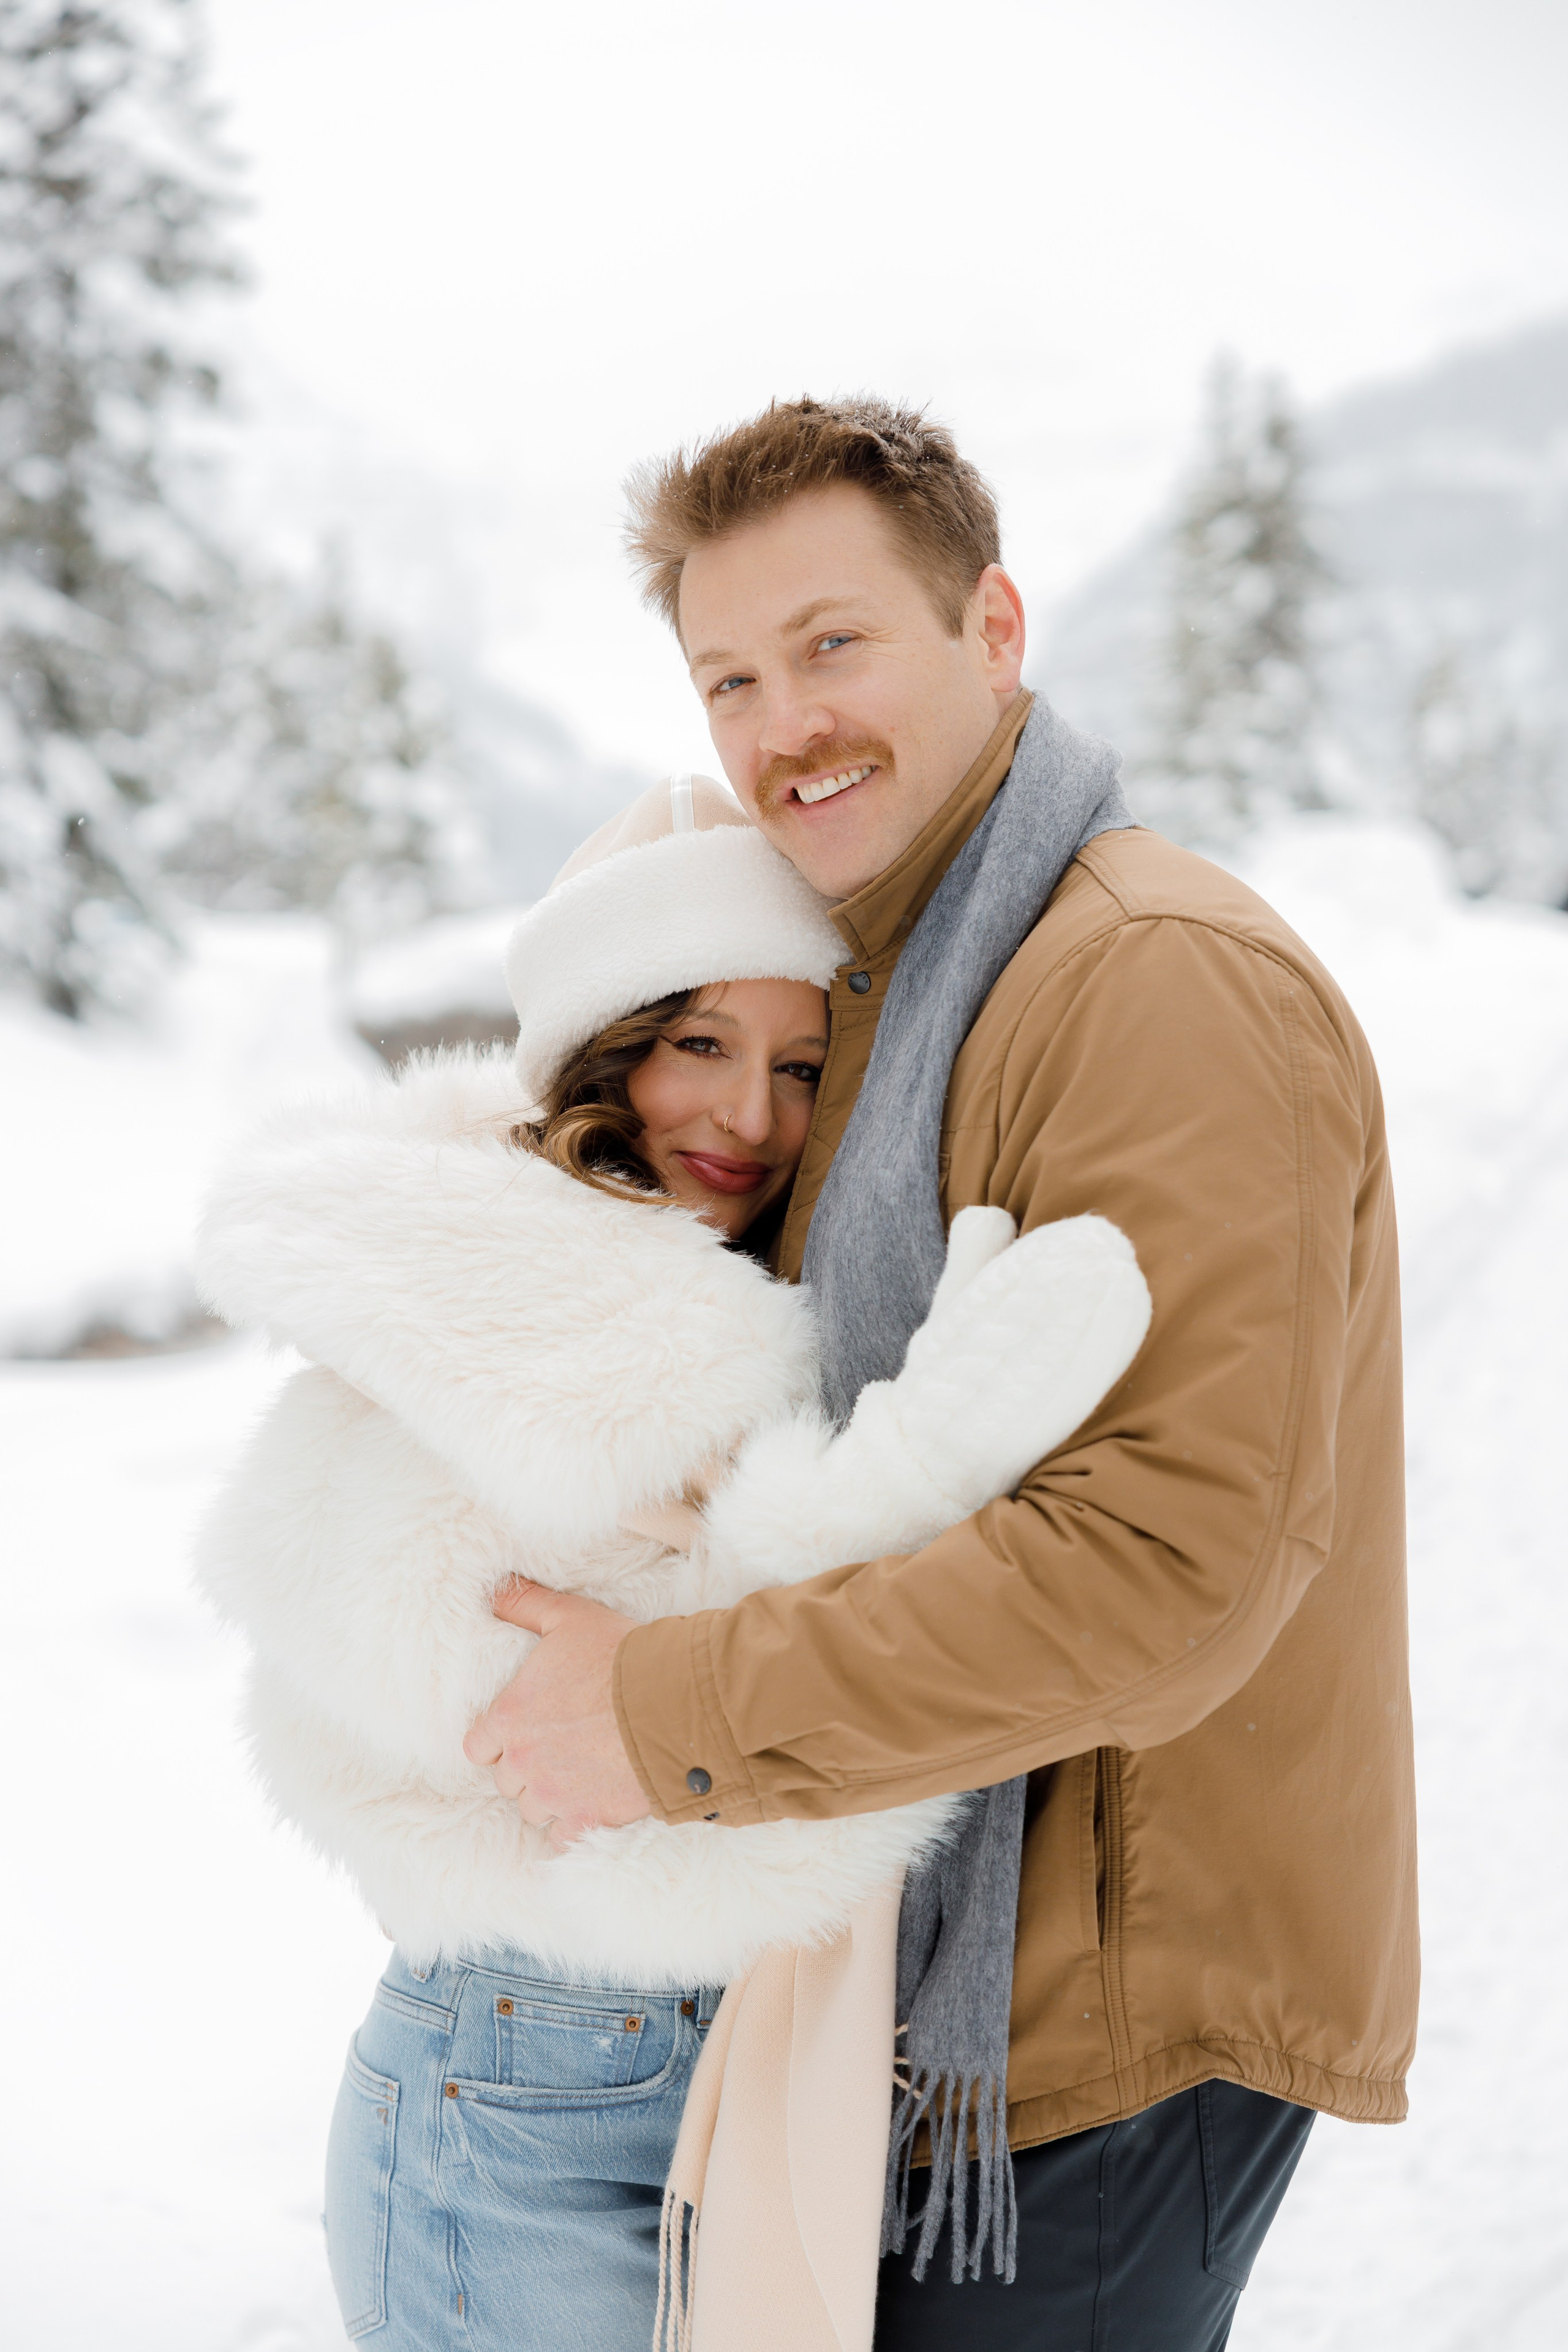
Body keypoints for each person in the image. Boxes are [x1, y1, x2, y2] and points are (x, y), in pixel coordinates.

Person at [475, 396, 1419, 2350]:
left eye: (834, 645)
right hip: (962, 1995)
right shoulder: (902, 986)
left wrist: (668, 1713)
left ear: (993, 628)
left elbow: (1167, 1570)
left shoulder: (1148, 979)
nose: (782, 724)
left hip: (1098, 2015)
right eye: (730, 676)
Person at [193, 774, 1152, 2351]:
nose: (749, 1118)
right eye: (695, 1044)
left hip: (709, 2043)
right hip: (528, 2059)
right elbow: (423, 1649)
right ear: (596, 1045)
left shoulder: (724, 1294)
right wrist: (867, 1496)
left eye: (797, 1064)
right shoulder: (498, 1277)